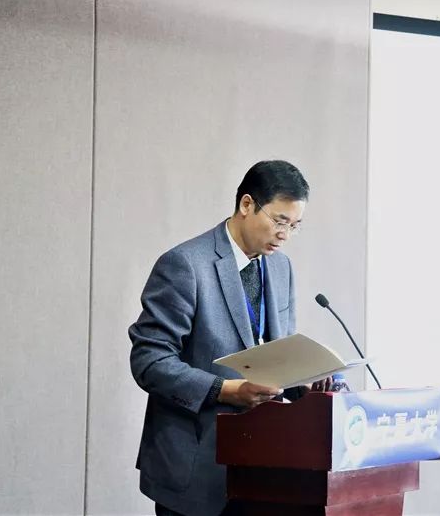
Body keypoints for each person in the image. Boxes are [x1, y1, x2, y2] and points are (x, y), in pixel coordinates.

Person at [129, 160, 312, 516]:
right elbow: (150, 362)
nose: (285, 235)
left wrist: (305, 381)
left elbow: (277, 352)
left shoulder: (281, 267)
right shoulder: (185, 265)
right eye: (279, 221)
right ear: (247, 204)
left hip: (263, 468)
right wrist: (225, 390)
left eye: (294, 226)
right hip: (196, 467)